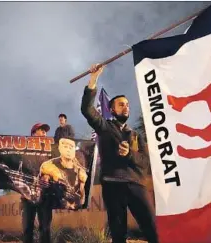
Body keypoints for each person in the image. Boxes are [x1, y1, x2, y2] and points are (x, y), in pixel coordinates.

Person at [81, 64, 159, 243]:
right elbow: (87, 110)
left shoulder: (136, 135)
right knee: (118, 233)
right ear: (112, 109)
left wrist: (129, 154)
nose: (126, 107)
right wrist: (93, 79)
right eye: (121, 104)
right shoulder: (105, 127)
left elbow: (144, 162)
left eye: (127, 104)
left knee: (152, 228)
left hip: (136, 184)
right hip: (112, 185)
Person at [21, 123, 52, 243]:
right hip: (27, 195)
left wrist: (48, 175)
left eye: (45, 130)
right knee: (27, 228)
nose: (44, 132)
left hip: (45, 195)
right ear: (33, 133)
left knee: (45, 228)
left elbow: (55, 167)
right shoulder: (24, 150)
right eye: (41, 130)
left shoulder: (49, 150)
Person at [40, 137, 88, 210]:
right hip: (52, 204)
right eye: (65, 147)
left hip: (72, 205)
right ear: (60, 148)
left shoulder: (80, 171)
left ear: (74, 150)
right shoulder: (48, 165)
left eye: (71, 147)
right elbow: (42, 184)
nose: (68, 150)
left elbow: (82, 193)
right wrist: (45, 179)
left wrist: (79, 204)